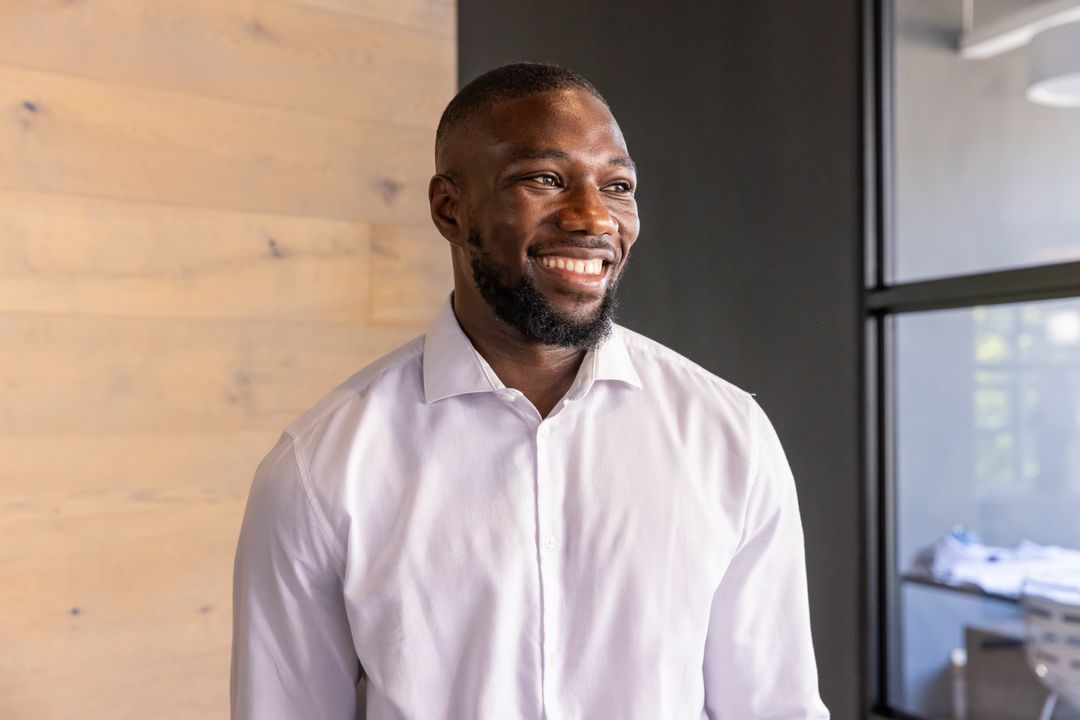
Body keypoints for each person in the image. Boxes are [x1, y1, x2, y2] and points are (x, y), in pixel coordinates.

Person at [231, 62, 829, 720]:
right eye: (545, 179)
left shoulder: (731, 437)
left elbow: (775, 707)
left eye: (618, 185)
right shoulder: (317, 473)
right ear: (449, 209)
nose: (594, 216)